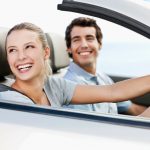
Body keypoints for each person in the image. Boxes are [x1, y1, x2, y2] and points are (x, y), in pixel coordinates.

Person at [1, 22, 150, 109]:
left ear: (46, 53)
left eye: (29, 47)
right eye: (12, 50)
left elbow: (112, 92)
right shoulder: (10, 102)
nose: (20, 56)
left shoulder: (54, 86)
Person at [63, 17, 147, 115]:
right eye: (76, 40)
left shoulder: (102, 77)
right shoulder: (72, 86)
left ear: (100, 44)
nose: (84, 45)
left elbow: (132, 108)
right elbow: (89, 129)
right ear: (69, 48)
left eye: (89, 38)